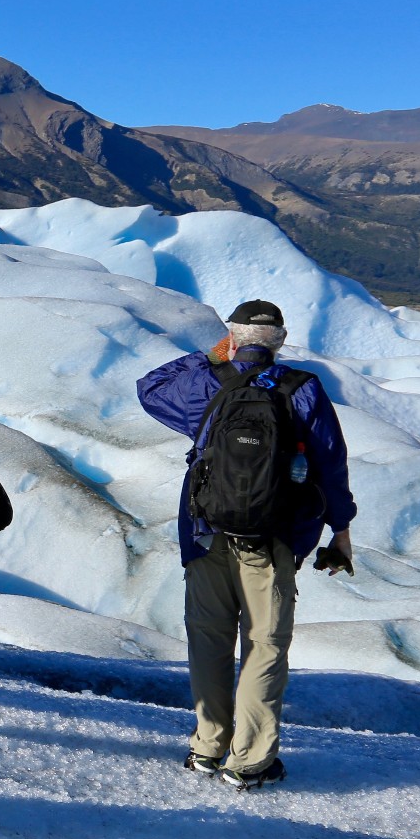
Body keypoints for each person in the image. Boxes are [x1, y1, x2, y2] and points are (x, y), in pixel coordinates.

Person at [137, 300, 357, 790]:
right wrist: (340, 531)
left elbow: (149, 390)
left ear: (232, 337)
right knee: (265, 646)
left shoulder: (206, 386)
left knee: (209, 641)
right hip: (272, 540)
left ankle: (208, 747)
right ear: (279, 341)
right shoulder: (303, 391)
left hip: (204, 533)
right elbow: (330, 467)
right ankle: (251, 760)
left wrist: (208, 357)